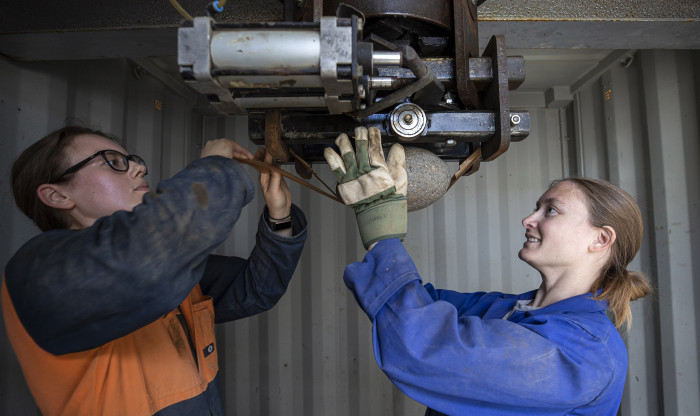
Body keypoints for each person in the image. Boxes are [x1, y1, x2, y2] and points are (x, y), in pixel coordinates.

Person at [324, 126, 652, 415]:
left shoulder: (583, 353)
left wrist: (383, 238)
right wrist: (383, 222)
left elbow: (425, 349)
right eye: (537, 207)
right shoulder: (511, 308)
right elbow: (416, 305)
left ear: (601, 239)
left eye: (550, 210)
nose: (529, 219)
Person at [2, 125, 307, 415]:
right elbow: (144, 257)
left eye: (132, 160)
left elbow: (256, 288)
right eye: (112, 162)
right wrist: (214, 168)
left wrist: (279, 218)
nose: (138, 168)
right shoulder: (39, 271)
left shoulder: (170, 267)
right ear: (58, 195)